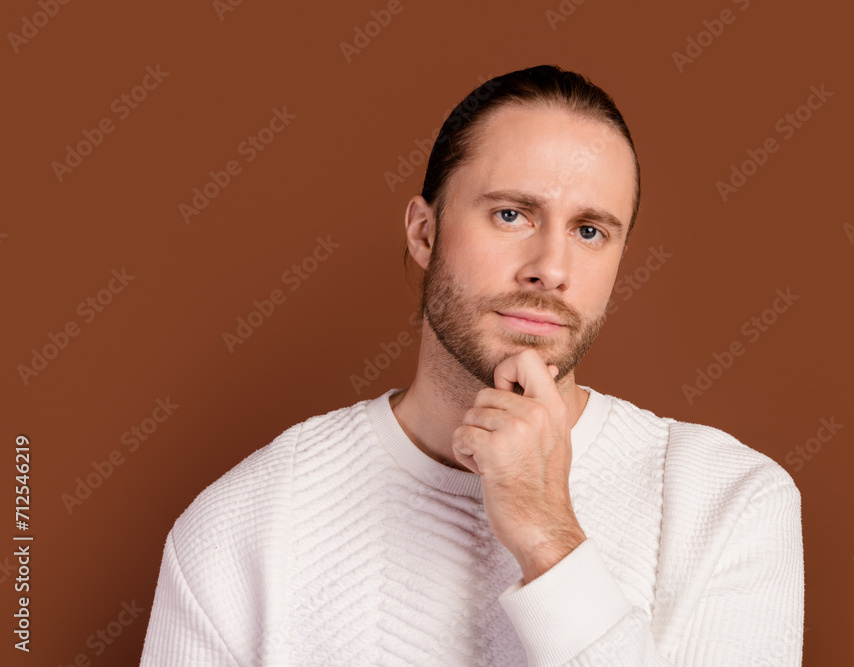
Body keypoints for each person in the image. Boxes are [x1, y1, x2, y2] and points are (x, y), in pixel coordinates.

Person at [140, 64, 804, 666]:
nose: (551, 267)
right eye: (512, 214)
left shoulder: (730, 503)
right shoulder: (244, 525)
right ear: (423, 233)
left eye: (590, 231)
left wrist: (548, 536)